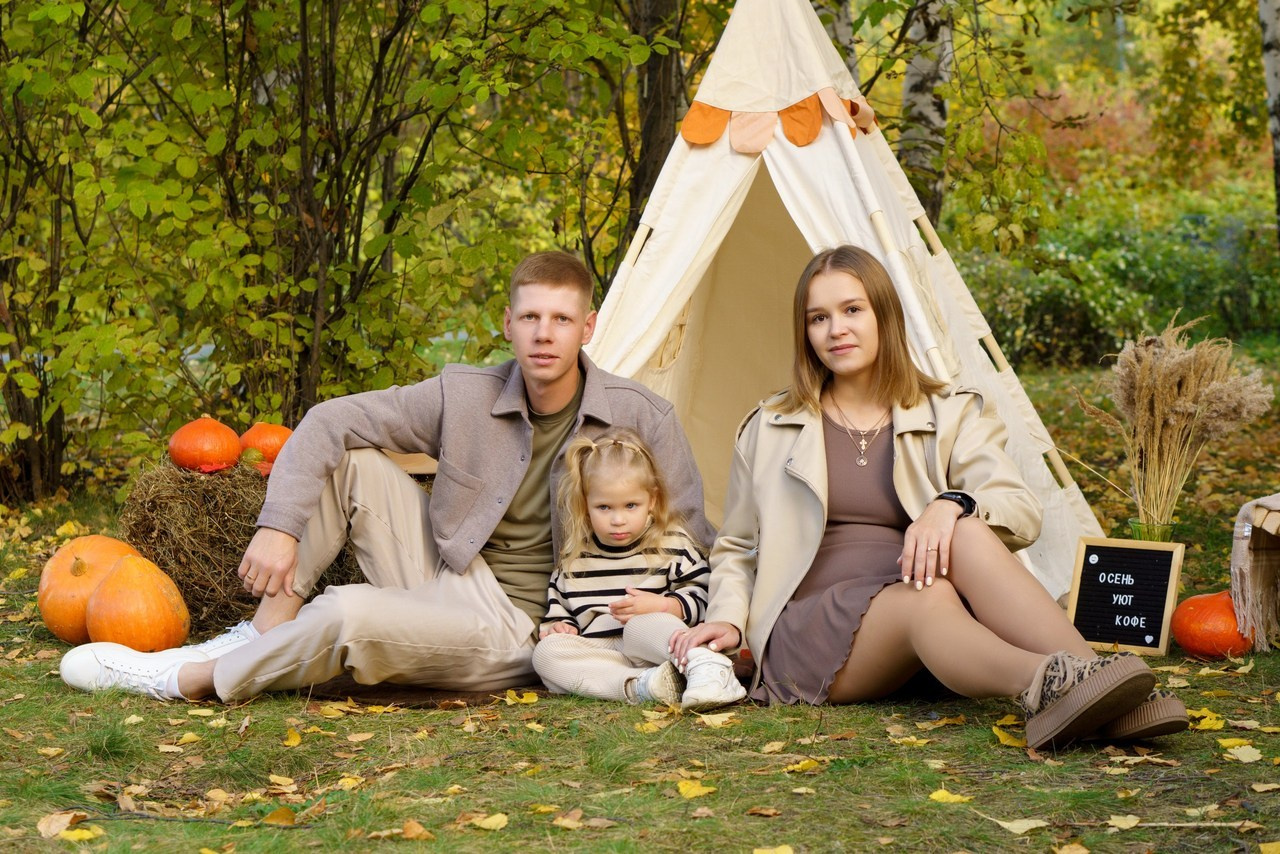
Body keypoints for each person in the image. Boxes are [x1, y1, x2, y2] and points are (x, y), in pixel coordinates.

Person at [60, 251, 714, 703]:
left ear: (587, 327)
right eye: (531, 318)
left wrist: (665, 618)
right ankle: (260, 632)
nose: (545, 335)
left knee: (347, 610)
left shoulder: (640, 416)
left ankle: (193, 680)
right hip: (450, 571)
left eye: (562, 319)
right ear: (508, 324)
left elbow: (691, 539)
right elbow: (329, 420)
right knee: (352, 459)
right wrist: (278, 526)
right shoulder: (466, 394)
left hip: (524, 624)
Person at [670, 245, 1188, 750]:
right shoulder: (770, 425)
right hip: (814, 627)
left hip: (928, 611)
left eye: (852, 310)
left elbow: (1020, 511)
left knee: (963, 531)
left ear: (885, 316)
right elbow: (737, 545)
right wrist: (729, 620)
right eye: (818, 318)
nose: (836, 329)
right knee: (928, 595)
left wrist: (951, 504)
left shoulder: (951, 412)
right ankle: (1051, 682)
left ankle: (1102, 686)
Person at [532, 429, 746, 711]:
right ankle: (645, 685)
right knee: (546, 654)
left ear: (652, 501)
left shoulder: (672, 545)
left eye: (631, 505)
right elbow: (558, 610)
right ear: (585, 505)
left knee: (639, 624)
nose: (618, 519)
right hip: (605, 654)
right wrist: (560, 627)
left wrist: (666, 606)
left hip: (659, 645)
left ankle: (706, 667)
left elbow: (705, 595)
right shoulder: (574, 558)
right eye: (604, 507)